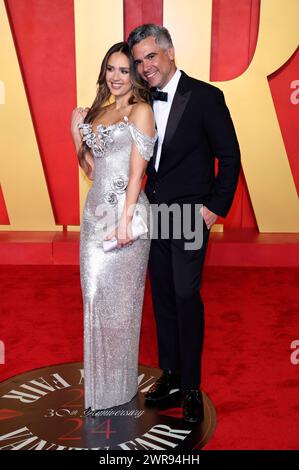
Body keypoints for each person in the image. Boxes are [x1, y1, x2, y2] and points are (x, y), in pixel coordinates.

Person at [128, 24, 241, 423]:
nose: (145, 67)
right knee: (162, 297)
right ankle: (171, 375)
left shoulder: (207, 97)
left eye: (151, 57)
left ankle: (191, 386)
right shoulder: (140, 99)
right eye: (139, 61)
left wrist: (213, 209)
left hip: (191, 216)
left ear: (170, 52)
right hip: (154, 214)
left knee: (185, 296)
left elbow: (229, 157)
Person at [70, 42, 157, 411]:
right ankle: (100, 388)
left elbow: (137, 172)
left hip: (127, 217)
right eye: (111, 69)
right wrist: (76, 132)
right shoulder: (99, 113)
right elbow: (93, 171)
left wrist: (125, 221)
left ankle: (118, 388)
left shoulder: (141, 111)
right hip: (94, 217)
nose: (117, 77)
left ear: (134, 75)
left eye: (124, 70)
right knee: (93, 297)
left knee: (123, 304)